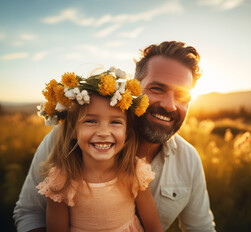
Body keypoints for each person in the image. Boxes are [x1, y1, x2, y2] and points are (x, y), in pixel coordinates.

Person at [14, 41, 216, 231]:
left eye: (182, 96)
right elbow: (30, 212)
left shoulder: (188, 160)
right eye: (157, 88)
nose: (169, 105)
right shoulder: (67, 139)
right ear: (134, 89)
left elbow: (201, 228)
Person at [33, 68, 163, 232]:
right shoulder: (62, 181)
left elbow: (154, 228)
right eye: (91, 121)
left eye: (115, 122)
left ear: (127, 133)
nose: (103, 132)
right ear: (73, 130)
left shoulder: (134, 171)